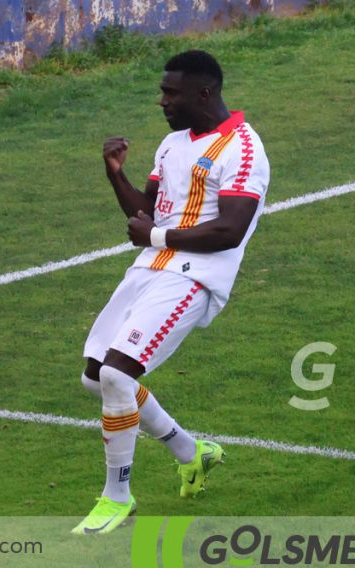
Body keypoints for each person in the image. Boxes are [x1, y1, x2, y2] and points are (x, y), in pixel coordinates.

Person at [72, 50, 270, 534]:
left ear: (204, 93)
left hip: (194, 277)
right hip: (151, 268)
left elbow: (230, 231)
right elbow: (150, 213)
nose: (162, 101)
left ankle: (116, 498)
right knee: (97, 378)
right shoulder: (173, 144)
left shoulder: (243, 149)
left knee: (119, 377)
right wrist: (115, 174)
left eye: (170, 93)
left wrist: (157, 237)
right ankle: (191, 452)